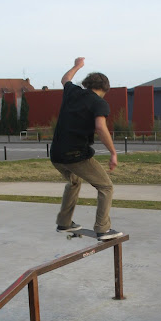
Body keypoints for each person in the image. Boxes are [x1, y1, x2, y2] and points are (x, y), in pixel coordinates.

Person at [50, 57, 122, 240]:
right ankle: (103, 228)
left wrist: (77, 66)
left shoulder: (72, 92)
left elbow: (65, 79)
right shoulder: (99, 103)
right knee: (106, 186)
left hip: (56, 154)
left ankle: (64, 222)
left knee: (74, 182)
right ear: (105, 89)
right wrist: (113, 153)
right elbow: (100, 127)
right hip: (76, 156)